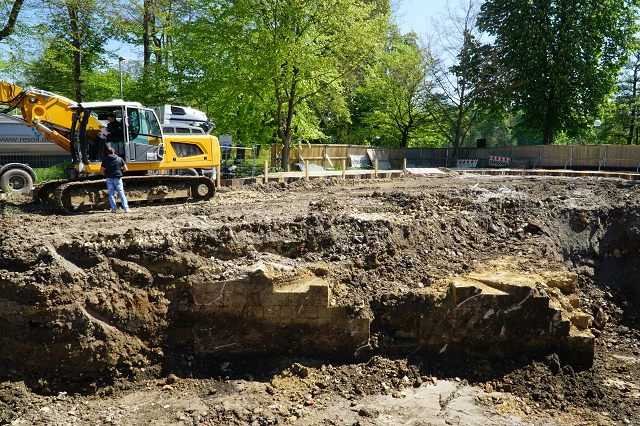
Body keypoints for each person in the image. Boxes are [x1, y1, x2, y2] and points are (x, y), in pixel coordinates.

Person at [100, 146, 130, 213]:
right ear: (114, 151)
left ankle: (114, 209)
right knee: (121, 193)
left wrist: (106, 173)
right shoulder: (119, 159)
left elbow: (101, 171)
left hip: (109, 179)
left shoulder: (105, 160)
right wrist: (120, 171)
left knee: (111, 194)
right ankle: (126, 208)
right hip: (117, 178)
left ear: (107, 152)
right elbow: (126, 169)